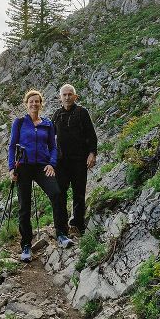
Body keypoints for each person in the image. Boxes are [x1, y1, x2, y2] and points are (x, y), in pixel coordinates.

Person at [8, 89, 74, 262]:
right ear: (26, 104)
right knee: (24, 205)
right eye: (31, 101)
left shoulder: (47, 124)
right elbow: (11, 146)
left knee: (57, 194)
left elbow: (53, 146)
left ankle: (61, 234)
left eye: (37, 101)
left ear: (41, 104)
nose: (34, 104)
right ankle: (26, 245)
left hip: (42, 166)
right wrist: (11, 168)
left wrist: (52, 164)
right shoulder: (20, 122)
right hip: (23, 166)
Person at [52, 84, 98, 237]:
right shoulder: (56, 115)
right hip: (61, 163)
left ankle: (77, 226)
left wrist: (92, 153)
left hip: (79, 161)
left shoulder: (82, 112)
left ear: (75, 96)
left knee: (78, 193)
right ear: (60, 98)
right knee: (60, 194)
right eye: (64, 95)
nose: (67, 97)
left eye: (70, 94)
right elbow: (50, 139)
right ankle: (61, 228)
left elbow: (91, 135)